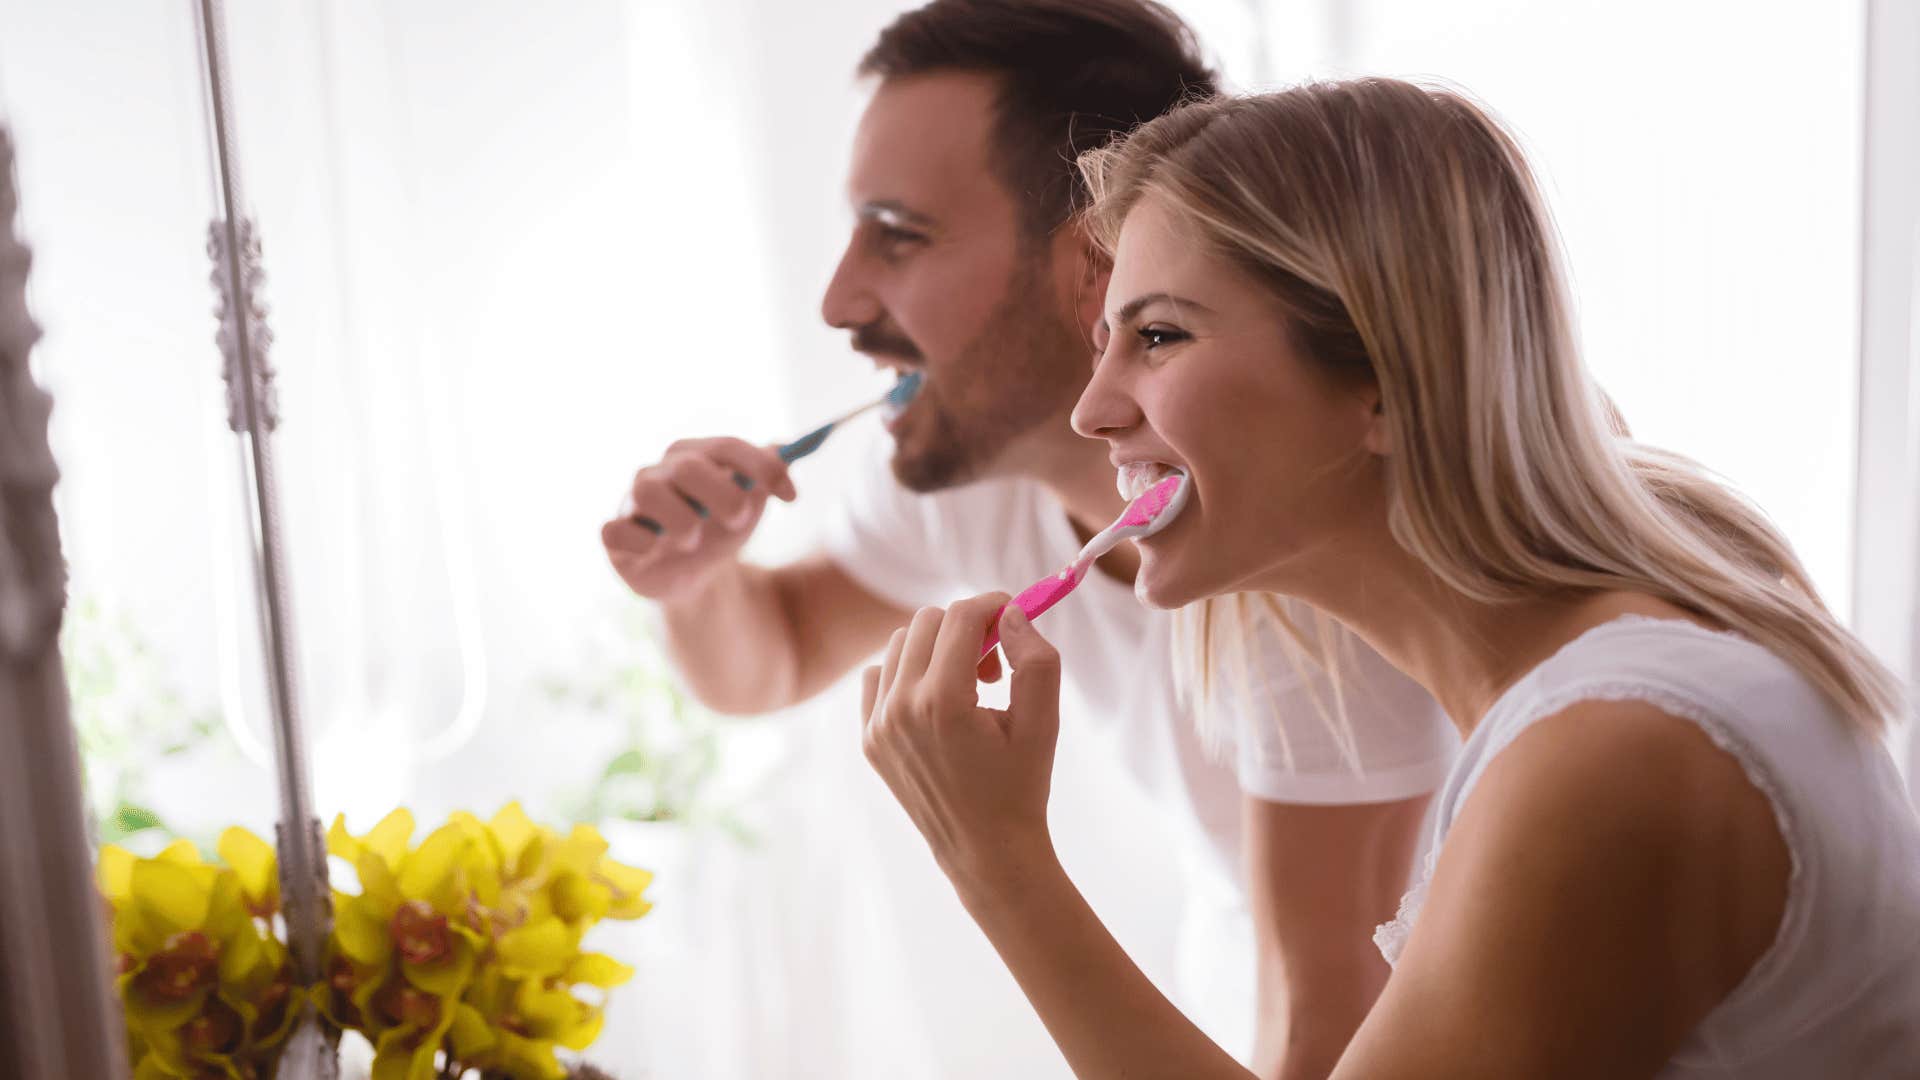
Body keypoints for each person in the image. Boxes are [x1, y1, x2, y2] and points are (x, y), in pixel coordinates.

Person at [859, 78, 1920, 1078]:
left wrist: (996, 862)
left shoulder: (1617, 752)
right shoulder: (1622, 644)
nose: (1095, 411)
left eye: (1161, 337)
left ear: (1386, 384)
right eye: (1105, 342)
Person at [600, 3, 1455, 1073]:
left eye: (898, 235)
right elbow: (773, 653)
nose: (836, 298)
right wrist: (697, 583)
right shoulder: (974, 464)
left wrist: (990, 854)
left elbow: (1325, 1041)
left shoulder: (1301, 584)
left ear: (1096, 264)